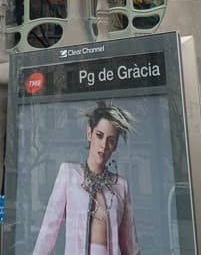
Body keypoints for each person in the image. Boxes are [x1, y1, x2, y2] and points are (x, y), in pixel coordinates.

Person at [34, 101, 140, 255]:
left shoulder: (120, 186)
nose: (103, 145)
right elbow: (48, 230)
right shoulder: (69, 174)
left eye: (110, 140)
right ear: (89, 134)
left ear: (115, 145)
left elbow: (131, 244)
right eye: (99, 135)